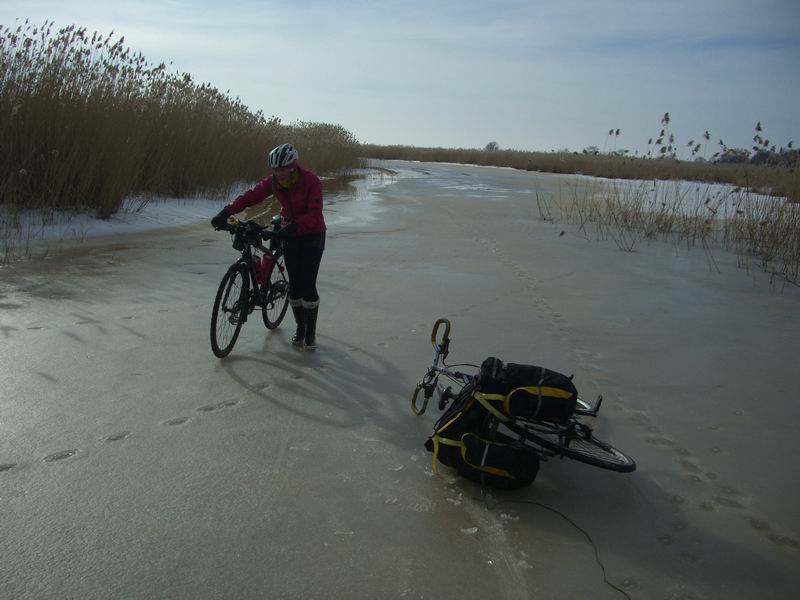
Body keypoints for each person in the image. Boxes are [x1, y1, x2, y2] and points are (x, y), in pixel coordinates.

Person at [211, 143, 325, 350]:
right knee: (295, 287)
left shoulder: (310, 181)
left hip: (312, 235)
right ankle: (300, 326)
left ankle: (310, 332)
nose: (279, 174)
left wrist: (295, 226)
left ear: (293, 166)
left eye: (283, 169)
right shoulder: (273, 183)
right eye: (276, 170)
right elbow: (251, 196)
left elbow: (315, 214)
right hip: (289, 232)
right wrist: (226, 212)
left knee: (308, 285)